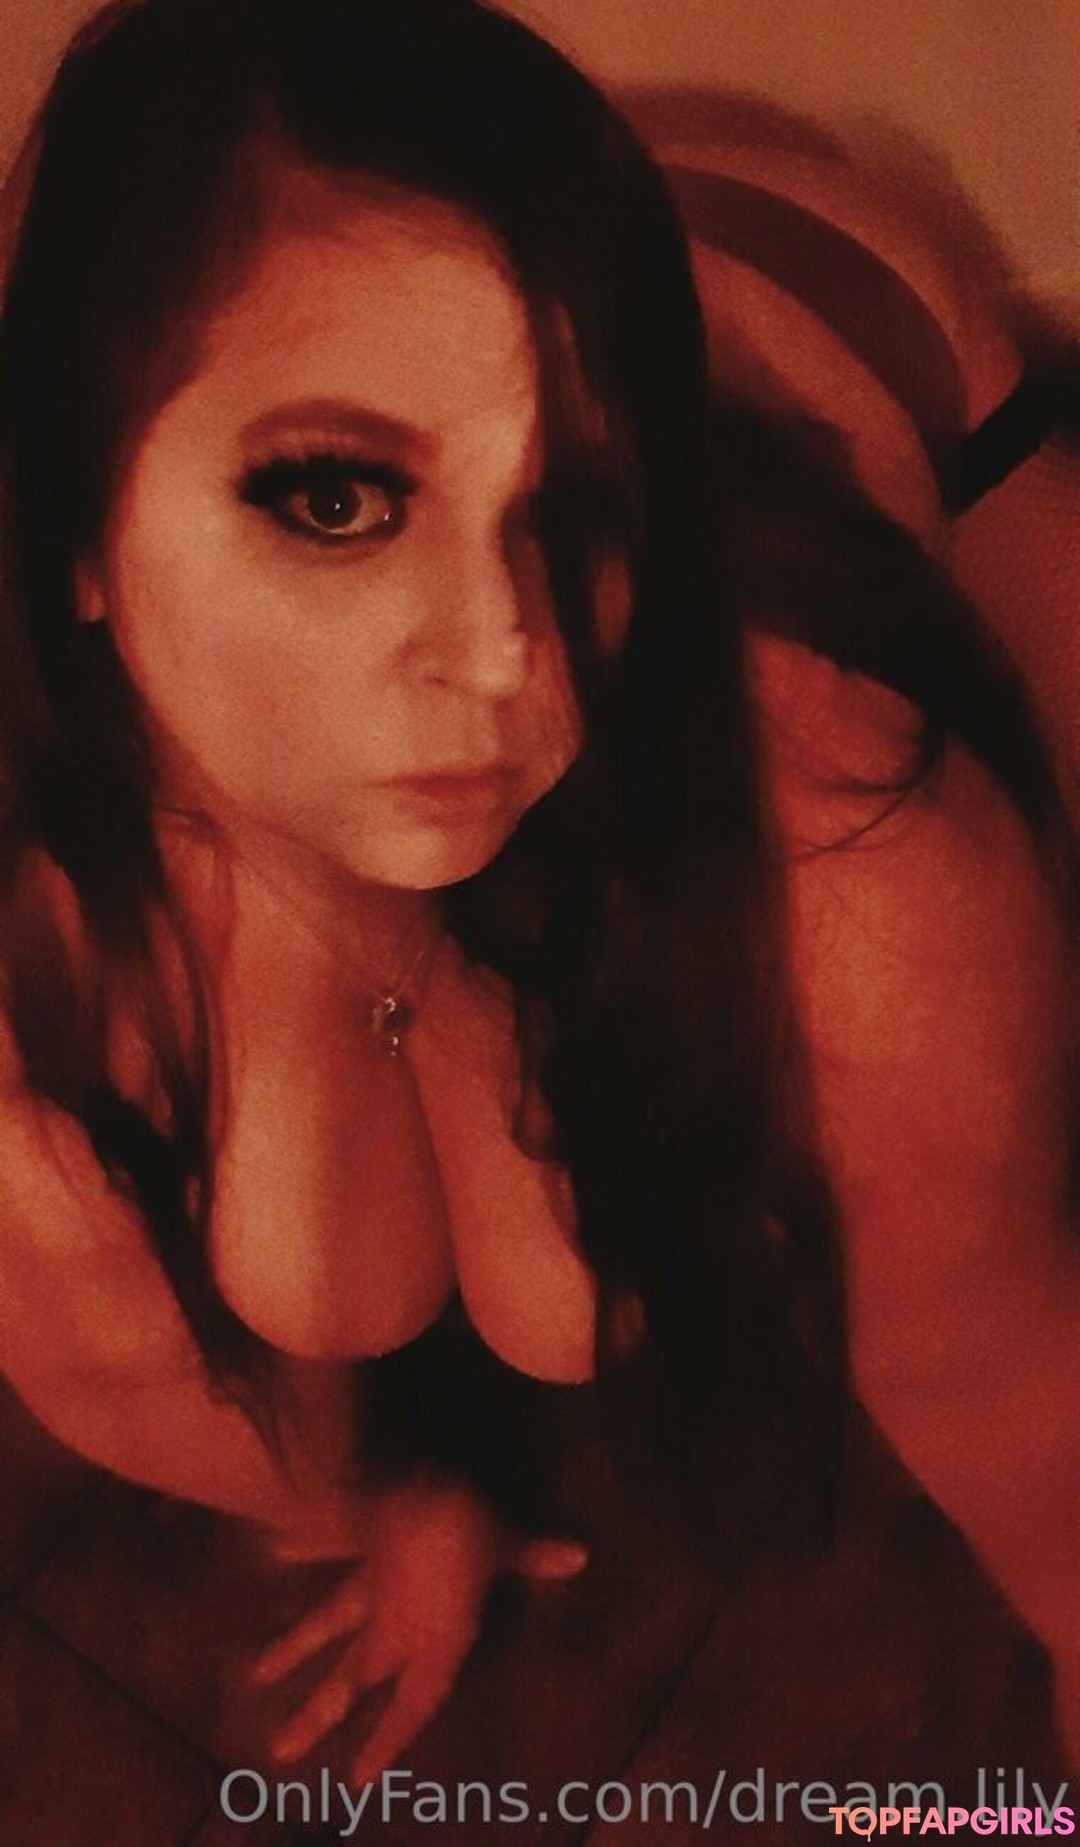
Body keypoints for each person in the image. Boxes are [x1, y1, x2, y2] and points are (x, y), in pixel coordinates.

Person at [0, 0, 1074, 1783]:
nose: (506, 653)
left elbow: (1045, 1468)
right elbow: (136, 1373)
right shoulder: (48, 940)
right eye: (334, 500)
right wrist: (407, 1501)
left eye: (580, 503)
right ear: (70, 538)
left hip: (858, 324)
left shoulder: (852, 880)